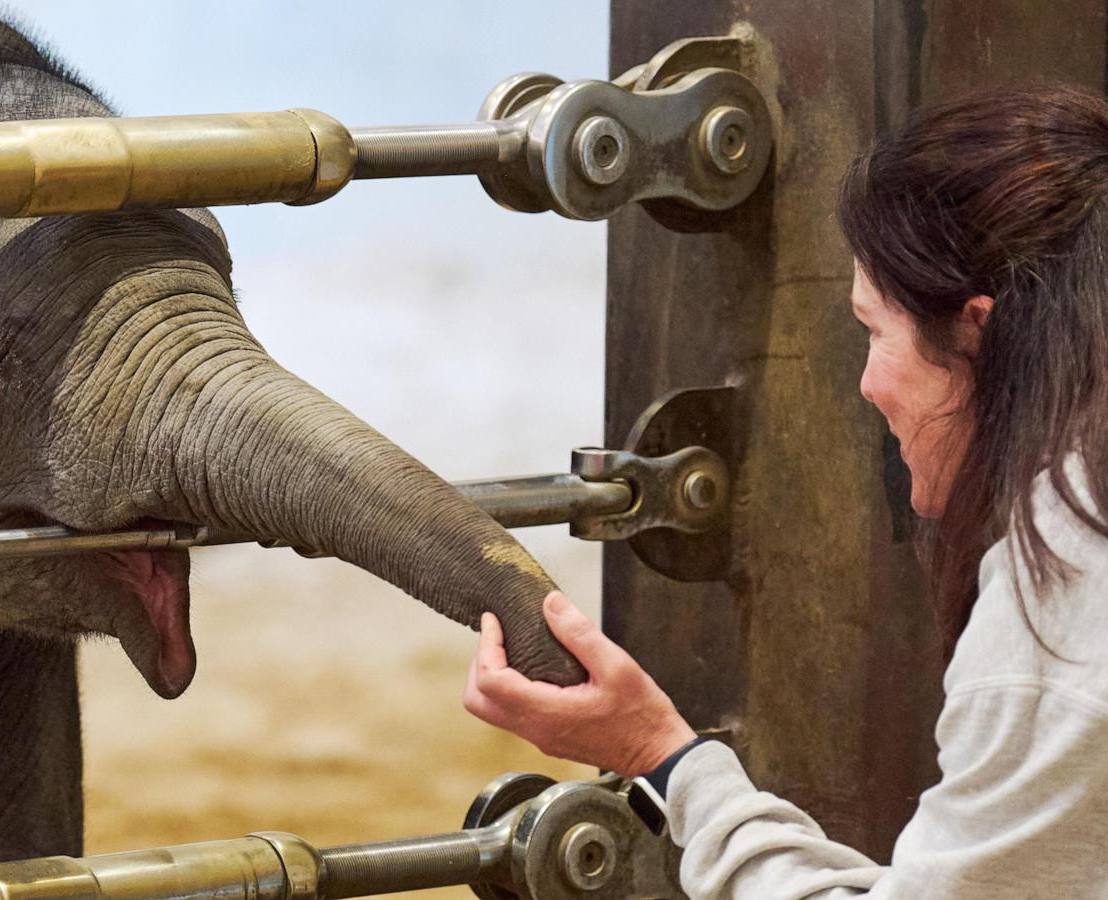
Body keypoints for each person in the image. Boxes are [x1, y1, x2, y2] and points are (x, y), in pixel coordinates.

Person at [464, 83, 1108, 897]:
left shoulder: (1062, 590)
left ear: (975, 327)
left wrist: (662, 757)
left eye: (875, 332)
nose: (868, 386)